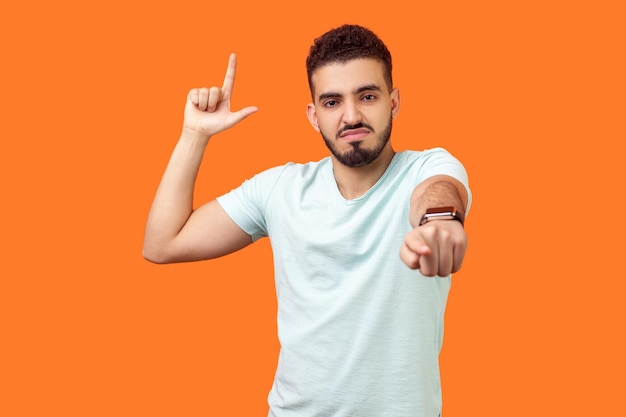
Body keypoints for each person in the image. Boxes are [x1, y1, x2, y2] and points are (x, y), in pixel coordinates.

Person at [143, 24, 471, 417]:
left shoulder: (426, 167)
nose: (352, 116)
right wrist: (194, 134)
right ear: (314, 116)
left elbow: (438, 192)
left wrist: (439, 223)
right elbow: (163, 243)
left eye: (367, 96)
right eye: (333, 103)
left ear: (394, 102)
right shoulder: (280, 189)